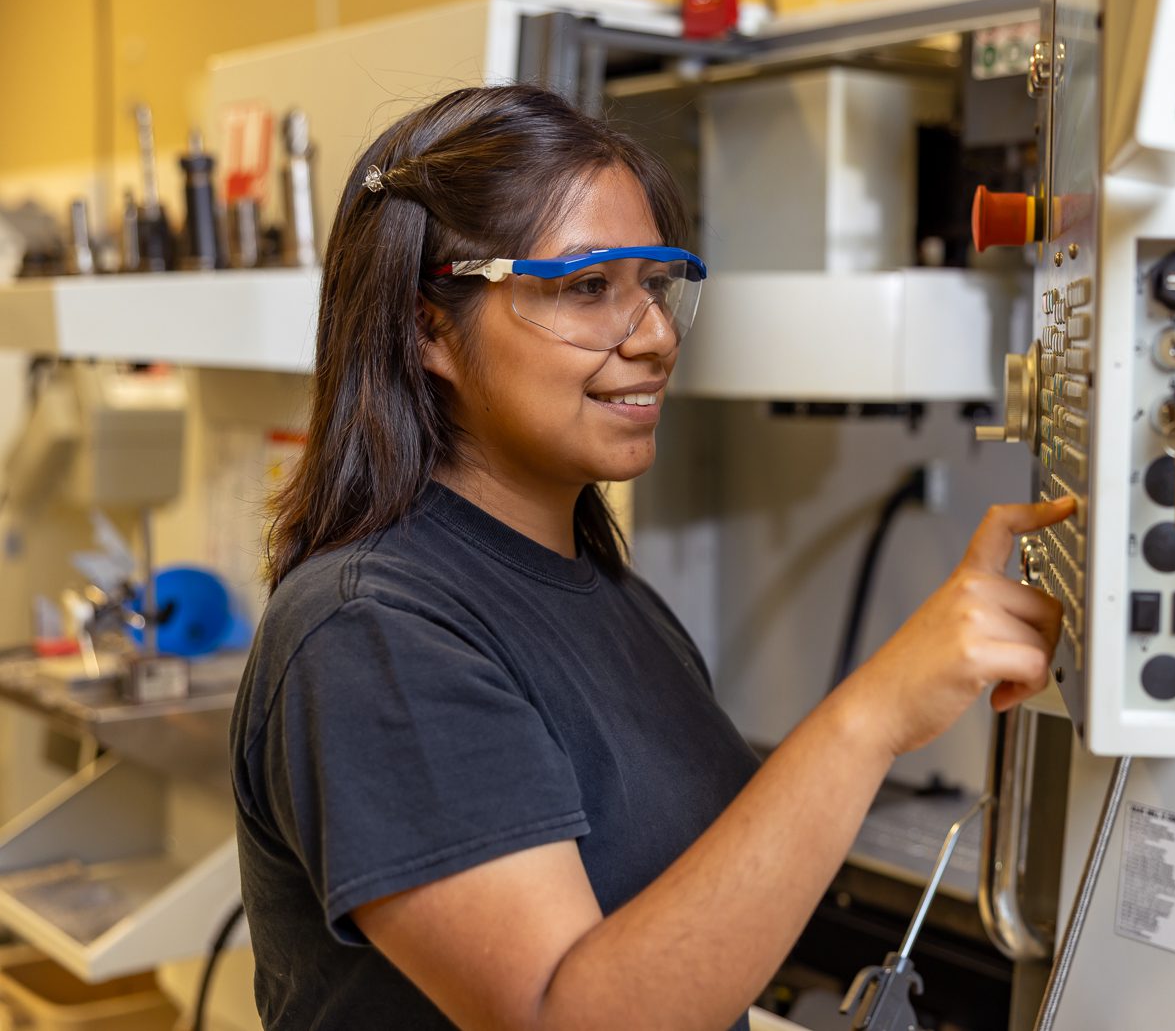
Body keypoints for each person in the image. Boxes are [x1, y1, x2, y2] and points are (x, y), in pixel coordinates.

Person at [229, 83, 1074, 1031]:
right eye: (589, 287)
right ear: (429, 326)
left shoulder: (610, 595)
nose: (659, 337)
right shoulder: (369, 630)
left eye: (657, 287)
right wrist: (873, 714)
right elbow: (564, 1015)